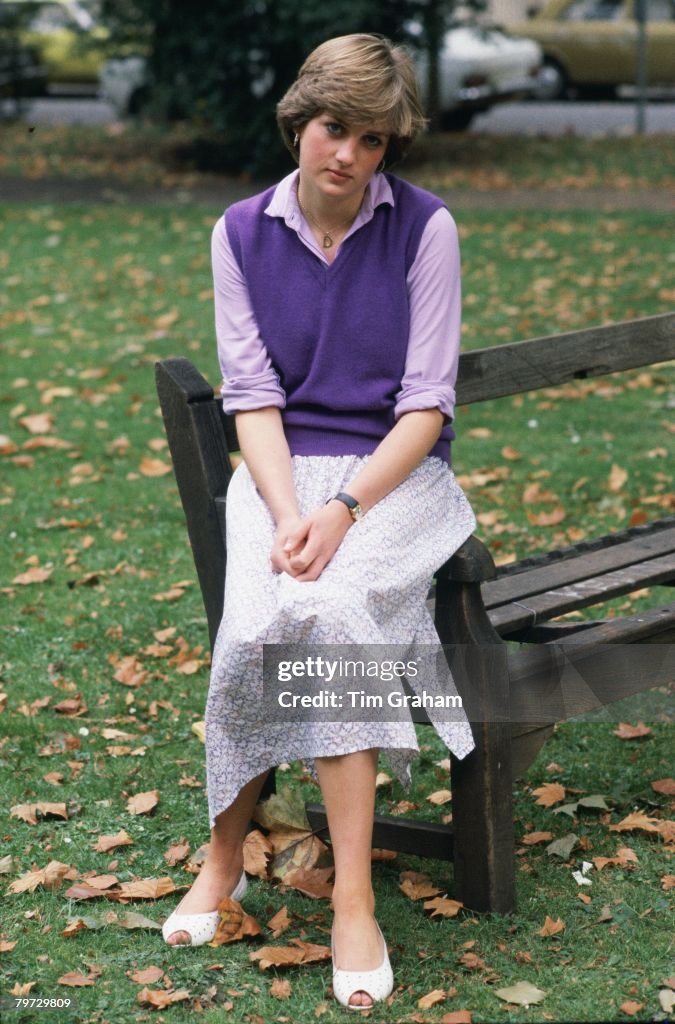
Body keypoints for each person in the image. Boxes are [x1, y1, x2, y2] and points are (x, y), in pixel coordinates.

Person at [161, 33, 477, 1010]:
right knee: (259, 622)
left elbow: (426, 407)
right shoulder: (239, 232)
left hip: (394, 480)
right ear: (301, 119)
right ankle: (224, 859)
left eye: (374, 140)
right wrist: (292, 510)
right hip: (279, 476)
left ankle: (352, 898)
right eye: (336, 128)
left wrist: (342, 511)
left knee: (334, 617)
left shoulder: (427, 231)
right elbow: (250, 397)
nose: (349, 154)